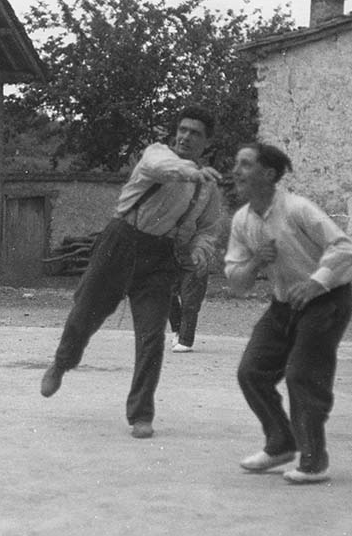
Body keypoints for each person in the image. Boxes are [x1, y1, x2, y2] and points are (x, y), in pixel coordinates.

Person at [39, 105, 224, 439]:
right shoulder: (157, 154)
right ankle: (62, 363)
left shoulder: (208, 187)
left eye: (195, 133)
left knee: (152, 335)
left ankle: (141, 414)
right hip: (121, 240)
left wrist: (200, 252)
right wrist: (191, 172)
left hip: (161, 256)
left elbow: (208, 229)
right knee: (85, 312)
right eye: (182, 130)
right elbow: (161, 168)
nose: (185, 137)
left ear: (207, 142)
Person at [225, 143, 352, 484]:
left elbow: (345, 247)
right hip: (284, 304)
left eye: (245, 164)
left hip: (327, 299)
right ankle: (281, 443)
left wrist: (315, 283)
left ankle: (314, 462)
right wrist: (256, 261)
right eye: (236, 164)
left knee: (302, 374)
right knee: (251, 371)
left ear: (269, 174)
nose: (236, 171)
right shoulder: (242, 220)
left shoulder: (298, 208)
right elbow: (237, 282)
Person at [168, 259, 209, 353]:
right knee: (167, 294)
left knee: (190, 300)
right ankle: (179, 331)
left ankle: (185, 340)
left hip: (194, 259)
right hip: (173, 258)